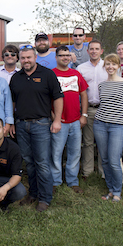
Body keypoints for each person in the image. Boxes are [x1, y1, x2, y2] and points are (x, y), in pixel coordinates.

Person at [9, 45, 63, 212]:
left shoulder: (47, 74)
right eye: (23, 58)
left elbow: (58, 97)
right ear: (20, 59)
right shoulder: (16, 78)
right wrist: (12, 122)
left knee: (42, 163)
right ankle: (33, 193)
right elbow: (12, 102)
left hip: (41, 124)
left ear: (35, 58)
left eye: (29, 57)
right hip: (21, 124)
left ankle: (45, 198)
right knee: (29, 162)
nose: (26, 60)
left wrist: (57, 120)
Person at [93, 54, 123, 202]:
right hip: (100, 124)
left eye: (114, 64)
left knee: (114, 159)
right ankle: (110, 189)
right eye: (108, 64)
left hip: (118, 126)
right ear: (105, 66)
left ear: (119, 66)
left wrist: (120, 120)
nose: (111, 67)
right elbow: (103, 103)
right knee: (104, 159)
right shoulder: (102, 85)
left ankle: (117, 191)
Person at [50, 46, 88, 192]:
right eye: (61, 55)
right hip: (59, 122)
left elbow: (84, 94)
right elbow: (46, 98)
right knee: (56, 153)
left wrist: (84, 115)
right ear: (56, 57)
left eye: (67, 55)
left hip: (75, 121)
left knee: (75, 152)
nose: (65, 58)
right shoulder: (51, 74)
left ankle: (73, 181)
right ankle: (55, 181)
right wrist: (54, 118)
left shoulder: (76, 74)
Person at [76, 40, 106, 179]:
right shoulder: (81, 68)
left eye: (96, 49)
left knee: (103, 141)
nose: (94, 51)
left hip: (105, 108)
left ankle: (103, 171)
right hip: (88, 109)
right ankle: (87, 171)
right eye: (91, 49)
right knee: (88, 142)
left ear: (101, 51)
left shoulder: (108, 66)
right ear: (87, 51)